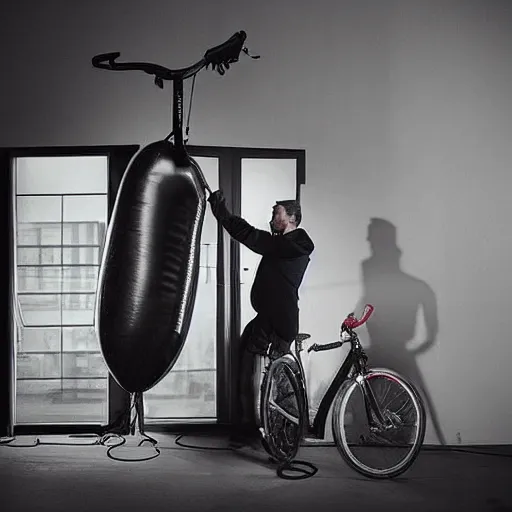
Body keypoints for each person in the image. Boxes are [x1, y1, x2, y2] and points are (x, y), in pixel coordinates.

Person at [208, 190, 315, 447]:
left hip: (279, 320)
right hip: (267, 318)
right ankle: (251, 428)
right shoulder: (282, 244)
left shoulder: (294, 243)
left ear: (291, 217)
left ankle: (286, 437)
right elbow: (257, 238)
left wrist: (222, 214)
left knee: (279, 379)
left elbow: (252, 237)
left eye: (276, 213)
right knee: (249, 366)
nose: (272, 217)